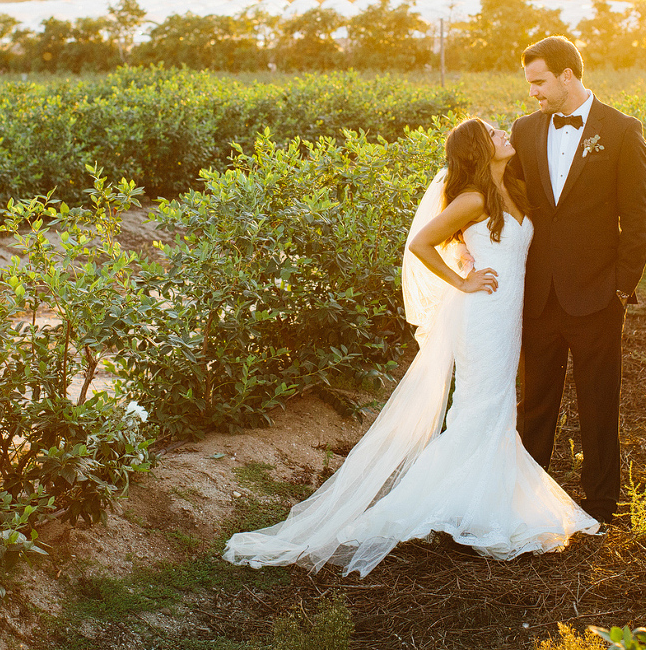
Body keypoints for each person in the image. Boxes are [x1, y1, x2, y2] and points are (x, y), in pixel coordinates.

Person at [222, 116, 598, 578]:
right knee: (480, 405)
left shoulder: (513, 193)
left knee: (496, 405)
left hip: (508, 318)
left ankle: (477, 497)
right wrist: (462, 280)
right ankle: (457, 504)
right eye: (493, 133)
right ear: (479, 151)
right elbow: (420, 243)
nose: (505, 133)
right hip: (481, 315)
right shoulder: (473, 198)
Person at [509, 36, 646, 526]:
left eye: (539, 82)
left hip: (598, 294)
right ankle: (527, 498)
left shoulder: (621, 130)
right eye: (531, 83)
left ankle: (602, 503)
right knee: (535, 404)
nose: (533, 93)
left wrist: (620, 286)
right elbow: (507, 200)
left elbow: (638, 218)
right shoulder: (524, 131)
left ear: (567, 75)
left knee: (598, 401)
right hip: (540, 293)